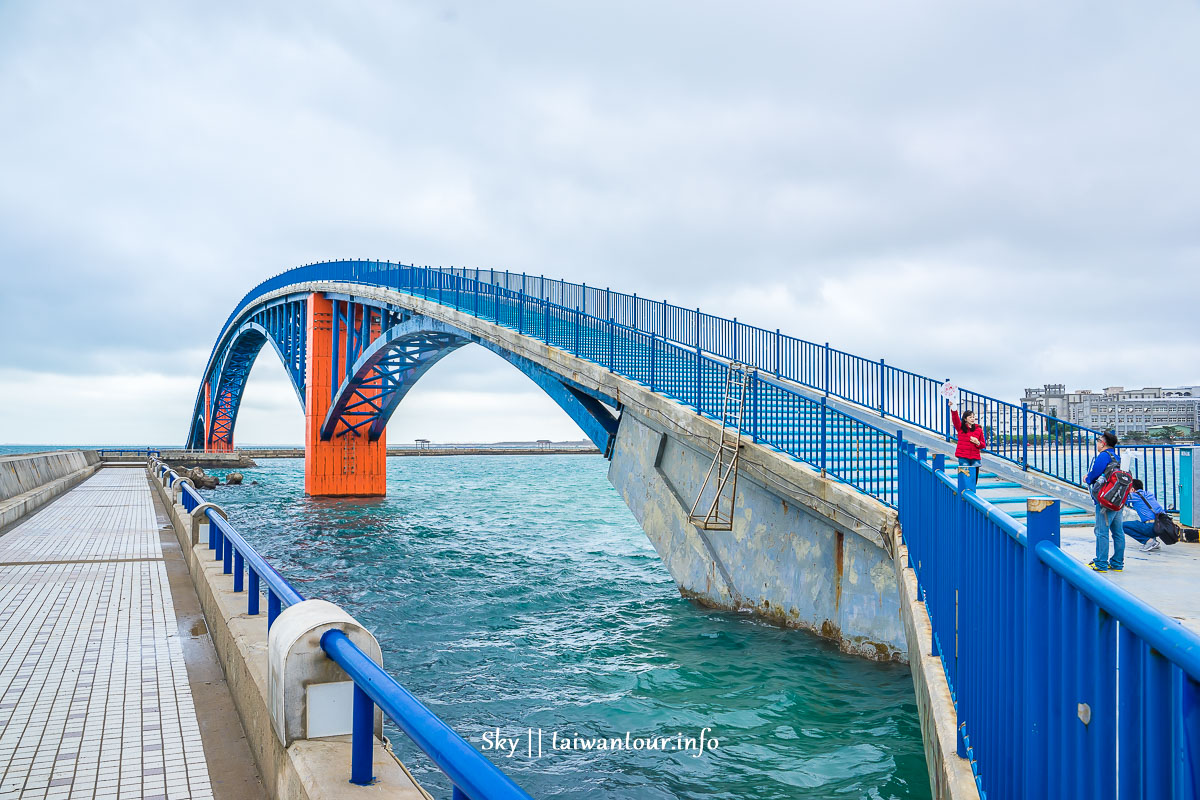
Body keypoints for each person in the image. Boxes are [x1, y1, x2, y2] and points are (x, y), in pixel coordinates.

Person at [1085, 431, 1124, 572]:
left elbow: (1095, 473)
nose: (1097, 443)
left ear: (1104, 443)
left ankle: (1101, 563)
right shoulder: (1116, 456)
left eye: (1098, 440)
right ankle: (1117, 563)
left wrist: (1088, 478)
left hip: (1105, 500)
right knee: (1118, 532)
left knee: (1102, 531)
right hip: (1118, 498)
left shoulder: (1104, 456)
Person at [946, 399, 986, 482]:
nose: (972, 419)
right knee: (965, 480)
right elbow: (955, 418)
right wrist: (953, 407)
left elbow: (983, 445)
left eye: (973, 417)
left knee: (973, 480)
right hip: (964, 457)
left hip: (975, 458)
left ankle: (972, 494)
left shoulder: (978, 429)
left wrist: (977, 442)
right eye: (970, 417)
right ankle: (963, 494)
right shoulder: (961, 428)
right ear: (965, 419)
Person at [1123, 479, 1166, 552]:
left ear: (1132, 489)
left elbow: (1121, 499)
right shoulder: (1149, 494)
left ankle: (1148, 541)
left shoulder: (1134, 496)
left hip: (1151, 527)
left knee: (1122, 526)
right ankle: (1153, 541)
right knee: (1144, 521)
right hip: (1161, 526)